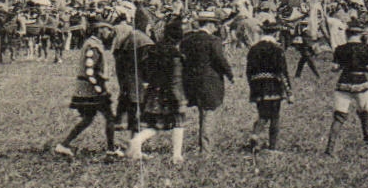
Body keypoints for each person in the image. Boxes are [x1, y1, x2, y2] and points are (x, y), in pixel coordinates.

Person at [53, 18, 121, 158]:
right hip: (91, 90)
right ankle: (111, 149)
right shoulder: (93, 46)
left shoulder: (93, 43)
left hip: (88, 88)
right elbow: (90, 71)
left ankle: (64, 145)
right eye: (108, 29)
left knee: (88, 119)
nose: (109, 33)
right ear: (100, 29)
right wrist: (99, 89)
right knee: (109, 118)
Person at [128, 19, 186, 164]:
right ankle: (177, 156)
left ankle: (136, 142)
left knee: (154, 124)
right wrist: (180, 98)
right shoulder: (175, 54)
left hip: (153, 92)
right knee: (178, 123)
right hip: (169, 94)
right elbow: (175, 79)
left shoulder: (154, 49)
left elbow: (145, 70)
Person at [180, 12, 234, 151]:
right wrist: (230, 74)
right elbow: (220, 60)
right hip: (209, 81)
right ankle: (206, 149)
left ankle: (202, 145)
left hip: (191, 81)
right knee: (209, 112)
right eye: (215, 24)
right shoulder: (213, 41)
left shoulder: (187, 39)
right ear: (210, 24)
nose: (216, 27)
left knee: (201, 111)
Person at [326, 22, 368, 154]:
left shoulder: (340, 49)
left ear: (347, 34)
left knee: (339, 116)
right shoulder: (366, 48)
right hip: (361, 82)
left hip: (344, 81)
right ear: (360, 34)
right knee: (364, 113)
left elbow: (334, 68)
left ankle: (330, 149)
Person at [244, 25, 293, 152]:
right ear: (276, 34)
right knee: (275, 116)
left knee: (263, 114)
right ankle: (272, 147)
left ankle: (256, 134)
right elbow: (283, 71)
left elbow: (248, 71)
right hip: (273, 85)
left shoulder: (253, 49)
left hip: (257, 85)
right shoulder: (277, 49)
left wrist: (252, 86)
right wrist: (289, 92)